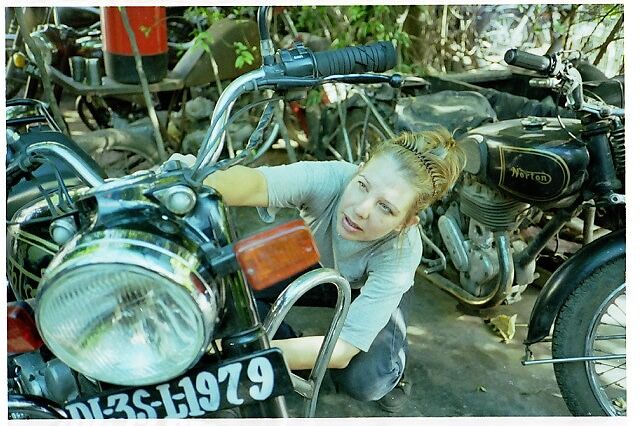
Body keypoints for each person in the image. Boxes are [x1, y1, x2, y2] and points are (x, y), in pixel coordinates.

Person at [202, 127, 465, 412]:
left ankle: (393, 373)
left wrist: (235, 356)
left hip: (366, 285)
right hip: (313, 258)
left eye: (386, 208)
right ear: (358, 169)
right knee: (225, 288)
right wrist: (190, 181)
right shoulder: (330, 177)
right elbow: (254, 183)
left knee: (364, 380)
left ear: (406, 222)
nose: (361, 209)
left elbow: (342, 350)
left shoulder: (402, 253)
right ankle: (286, 344)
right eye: (362, 185)